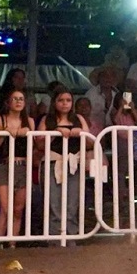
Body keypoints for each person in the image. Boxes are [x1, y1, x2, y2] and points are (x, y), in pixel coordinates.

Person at [41, 86, 89, 241]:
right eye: (61, 100)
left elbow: (90, 142)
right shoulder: (46, 119)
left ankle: (71, 237)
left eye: (68, 100)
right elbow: (38, 143)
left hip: (74, 163)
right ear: (54, 102)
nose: (64, 103)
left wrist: (79, 132)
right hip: (53, 162)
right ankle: (55, 238)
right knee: (54, 202)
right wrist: (55, 132)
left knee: (72, 202)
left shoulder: (79, 119)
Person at [0, 89, 35, 246]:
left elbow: (34, 145)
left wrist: (26, 132)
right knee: (6, 208)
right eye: (15, 99)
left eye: (21, 99)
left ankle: (12, 244)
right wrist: (5, 133)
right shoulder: (0, 119)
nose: (18, 102)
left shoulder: (29, 121)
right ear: (8, 102)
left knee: (18, 209)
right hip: (4, 165)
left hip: (23, 166)